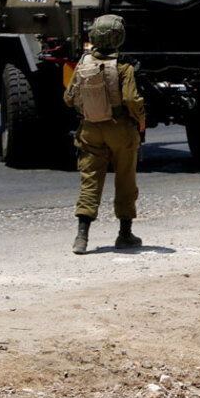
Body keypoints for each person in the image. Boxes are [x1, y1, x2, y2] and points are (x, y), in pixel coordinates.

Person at [63, 14, 146, 255]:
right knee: (125, 181)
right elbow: (131, 99)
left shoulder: (83, 64)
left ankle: (81, 237)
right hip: (120, 129)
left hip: (90, 128)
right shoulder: (124, 67)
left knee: (90, 180)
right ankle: (125, 234)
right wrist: (140, 116)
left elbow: (69, 99)